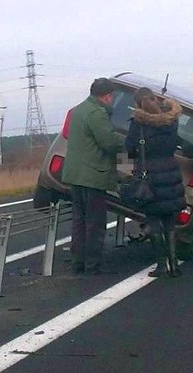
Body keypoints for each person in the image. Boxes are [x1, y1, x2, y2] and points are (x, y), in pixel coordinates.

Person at [61, 78, 126, 275]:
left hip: (76, 174)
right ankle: (92, 265)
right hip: (92, 176)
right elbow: (108, 142)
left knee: (79, 221)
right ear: (107, 96)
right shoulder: (97, 113)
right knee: (95, 223)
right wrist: (127, 143)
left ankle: (78, 262)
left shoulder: (78, 110)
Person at [125, 87, 186, 277]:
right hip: (171, 173)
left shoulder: (138, 124)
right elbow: (181, 144)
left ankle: (161, 265)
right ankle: (174, 264)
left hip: (149, 176)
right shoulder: (172, 121)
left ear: (138, 104)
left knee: (153, 221)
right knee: (169, 220)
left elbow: (129, 149)